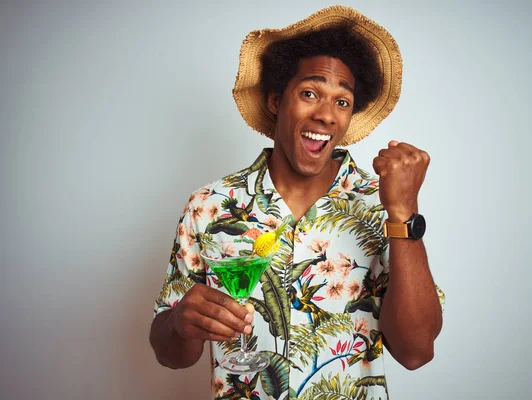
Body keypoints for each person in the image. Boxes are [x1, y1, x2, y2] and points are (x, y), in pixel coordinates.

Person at [150, 6, 445, 399]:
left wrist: (404, 213)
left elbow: (416, 352)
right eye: (310, 93)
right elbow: (170, 355)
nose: (326, 115)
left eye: (342, 101)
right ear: (276, 101)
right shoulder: (211, 205)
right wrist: (177, 325)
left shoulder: (381, 207)